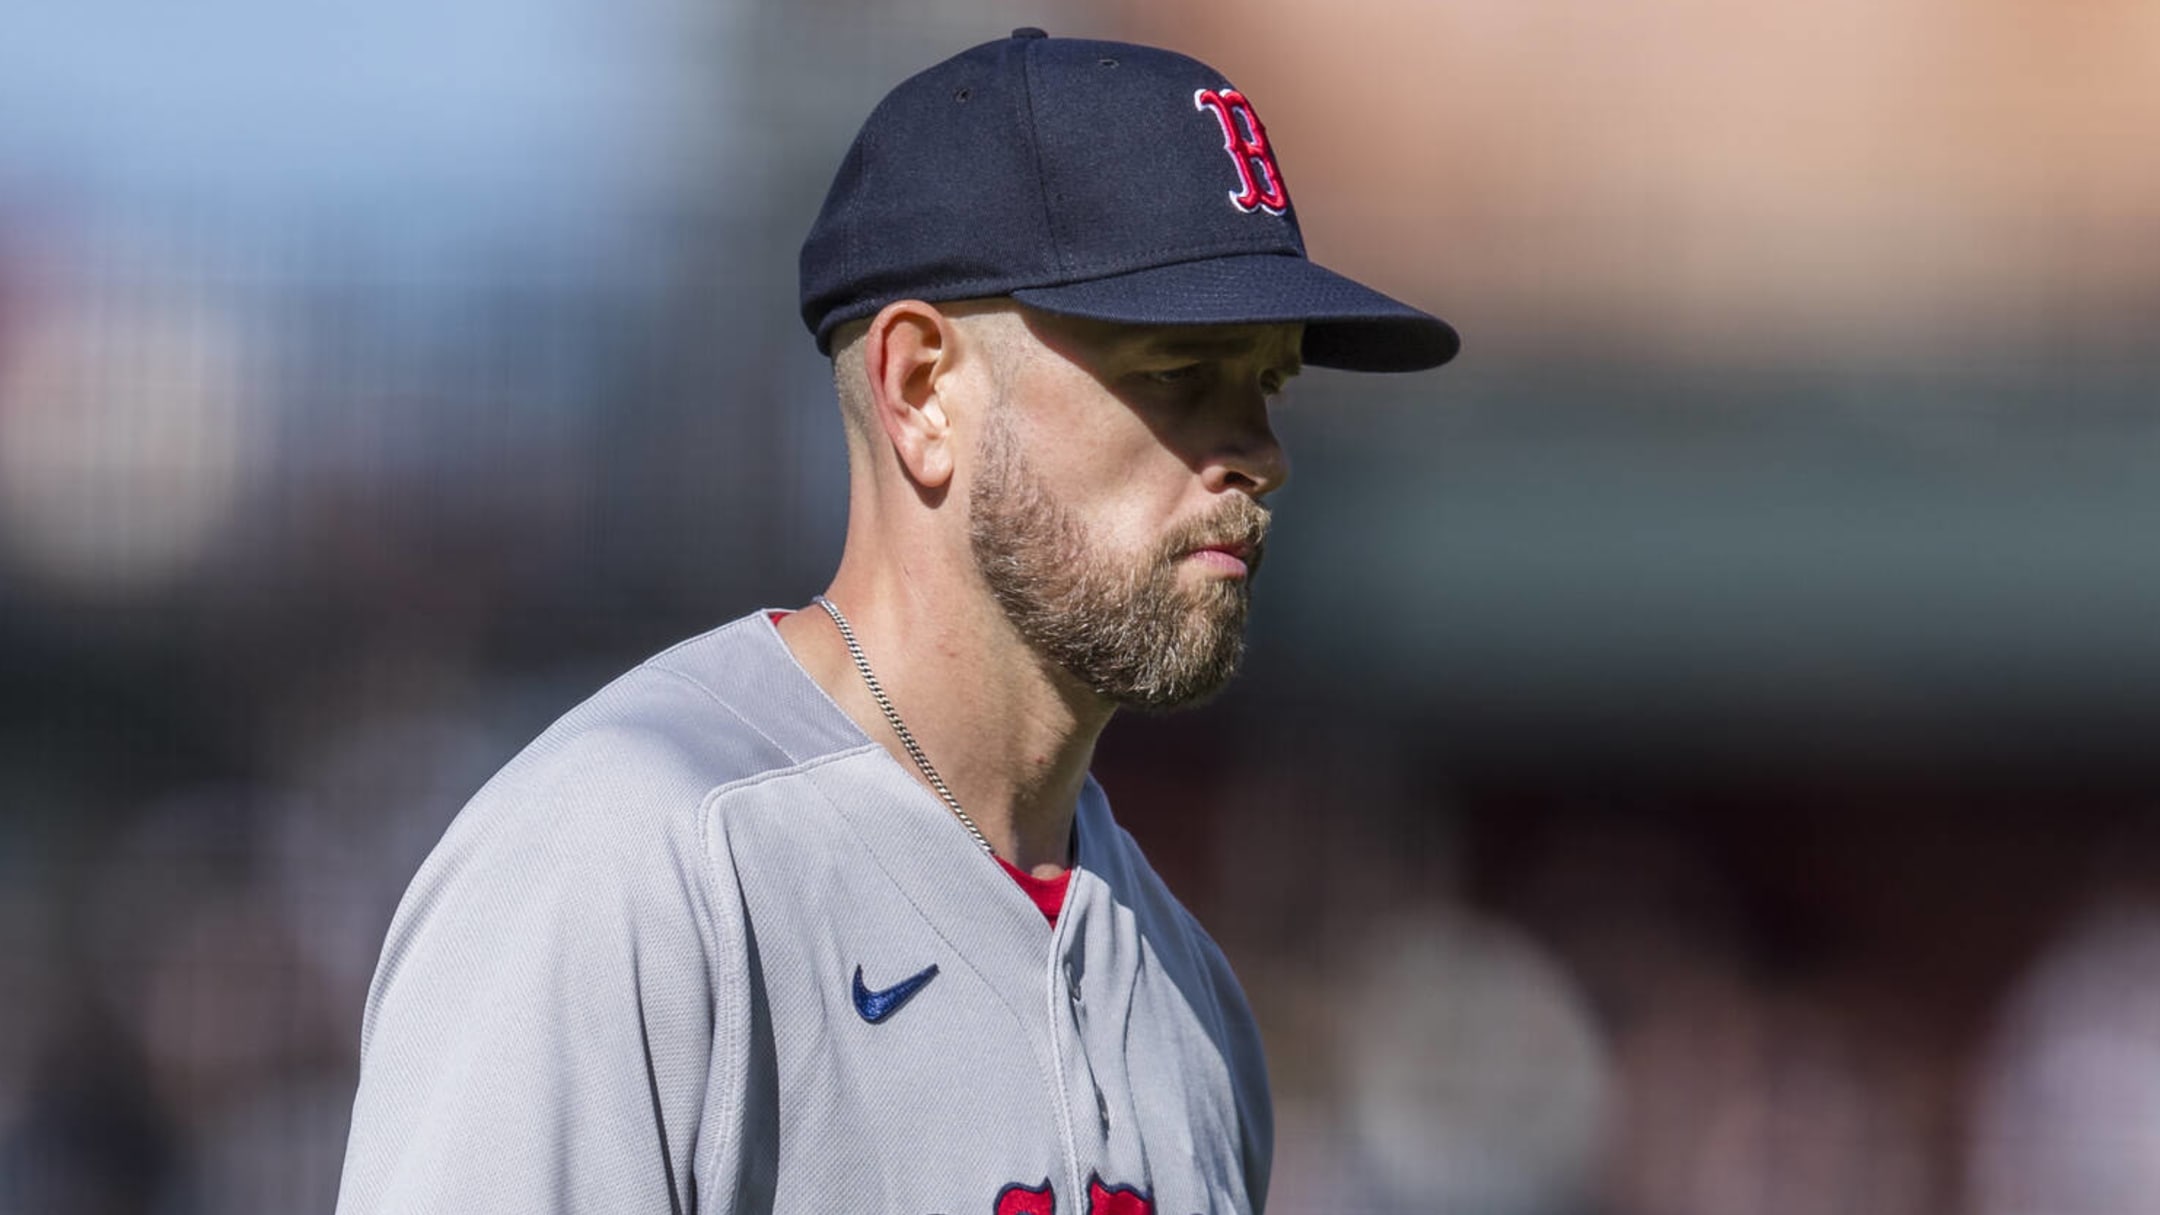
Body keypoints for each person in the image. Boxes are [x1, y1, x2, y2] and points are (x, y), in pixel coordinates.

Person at [334, 28, 1457, 1215]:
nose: (1262, 456)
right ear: (921, 389)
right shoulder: (635, 864)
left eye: (1268, 385)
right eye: (1180, 372)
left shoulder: (1196, 1006)